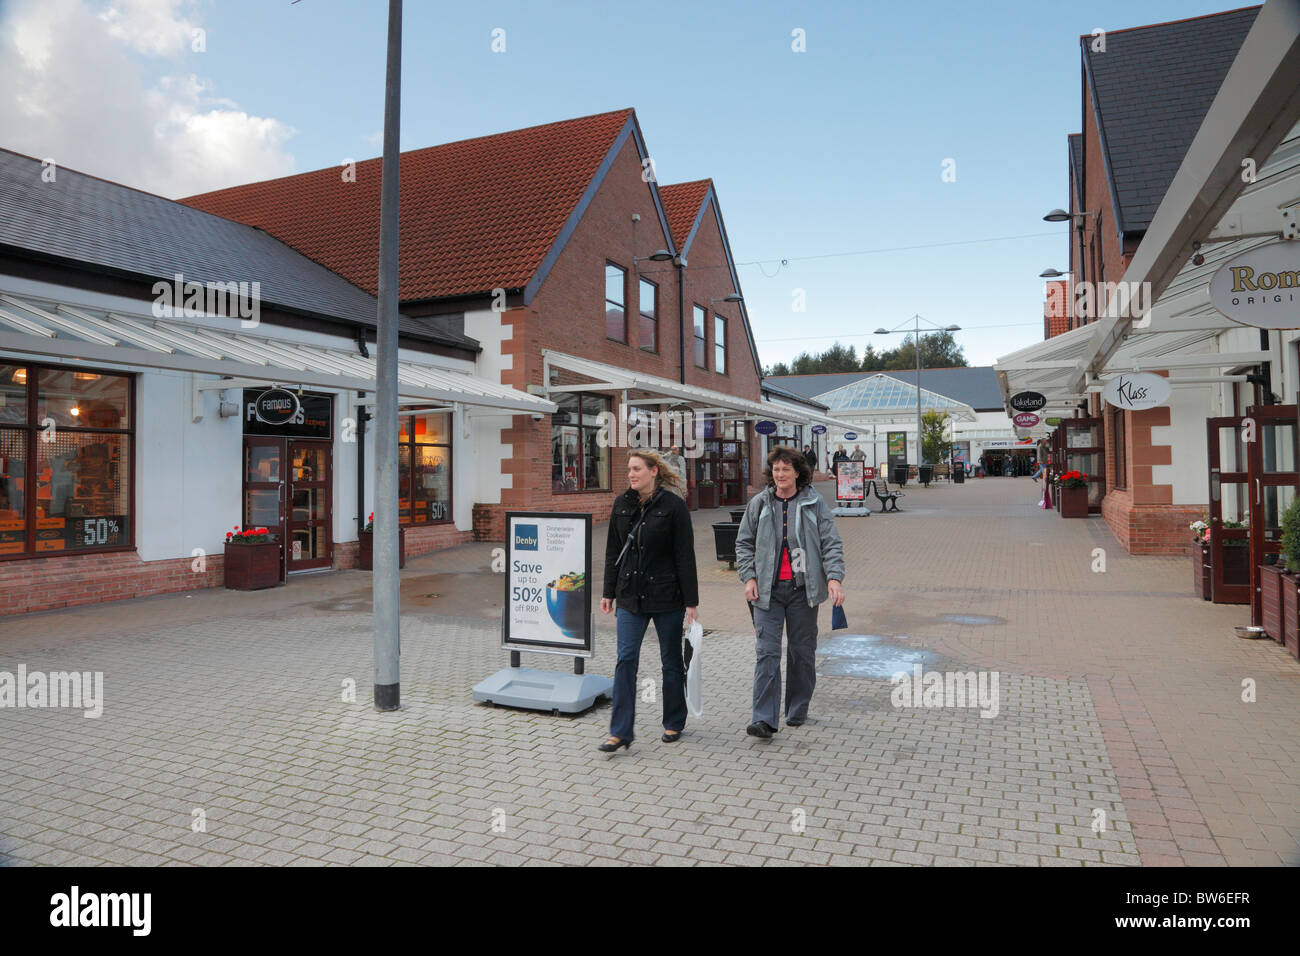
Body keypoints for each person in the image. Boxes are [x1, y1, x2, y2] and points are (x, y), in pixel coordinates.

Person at [734, 446, 846, 738]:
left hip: (803, 591)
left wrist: (834, 578)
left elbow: (830, 543)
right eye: (776, 469)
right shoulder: (760, 503)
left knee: (802, 653)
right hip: (767, 593)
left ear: (798, 472)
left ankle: (797, 708)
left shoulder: (814, 502)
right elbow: (744, 543)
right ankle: (764, 720)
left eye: (786, 469)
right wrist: (748, 577)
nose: (780, 474)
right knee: (767, 653)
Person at [598, 449, 699, 752]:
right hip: (630, 596)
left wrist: (691, 601)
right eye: (629, 469)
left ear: (654, 471)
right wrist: (608, 592)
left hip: (667, 596)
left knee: (671, 662)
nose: (631, 474)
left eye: (637, 469)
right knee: (626, 660)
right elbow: (612, 552)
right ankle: (620, 732)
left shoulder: (673, 507)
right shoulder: (621, 504)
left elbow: (685, 556)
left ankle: (673, 721)